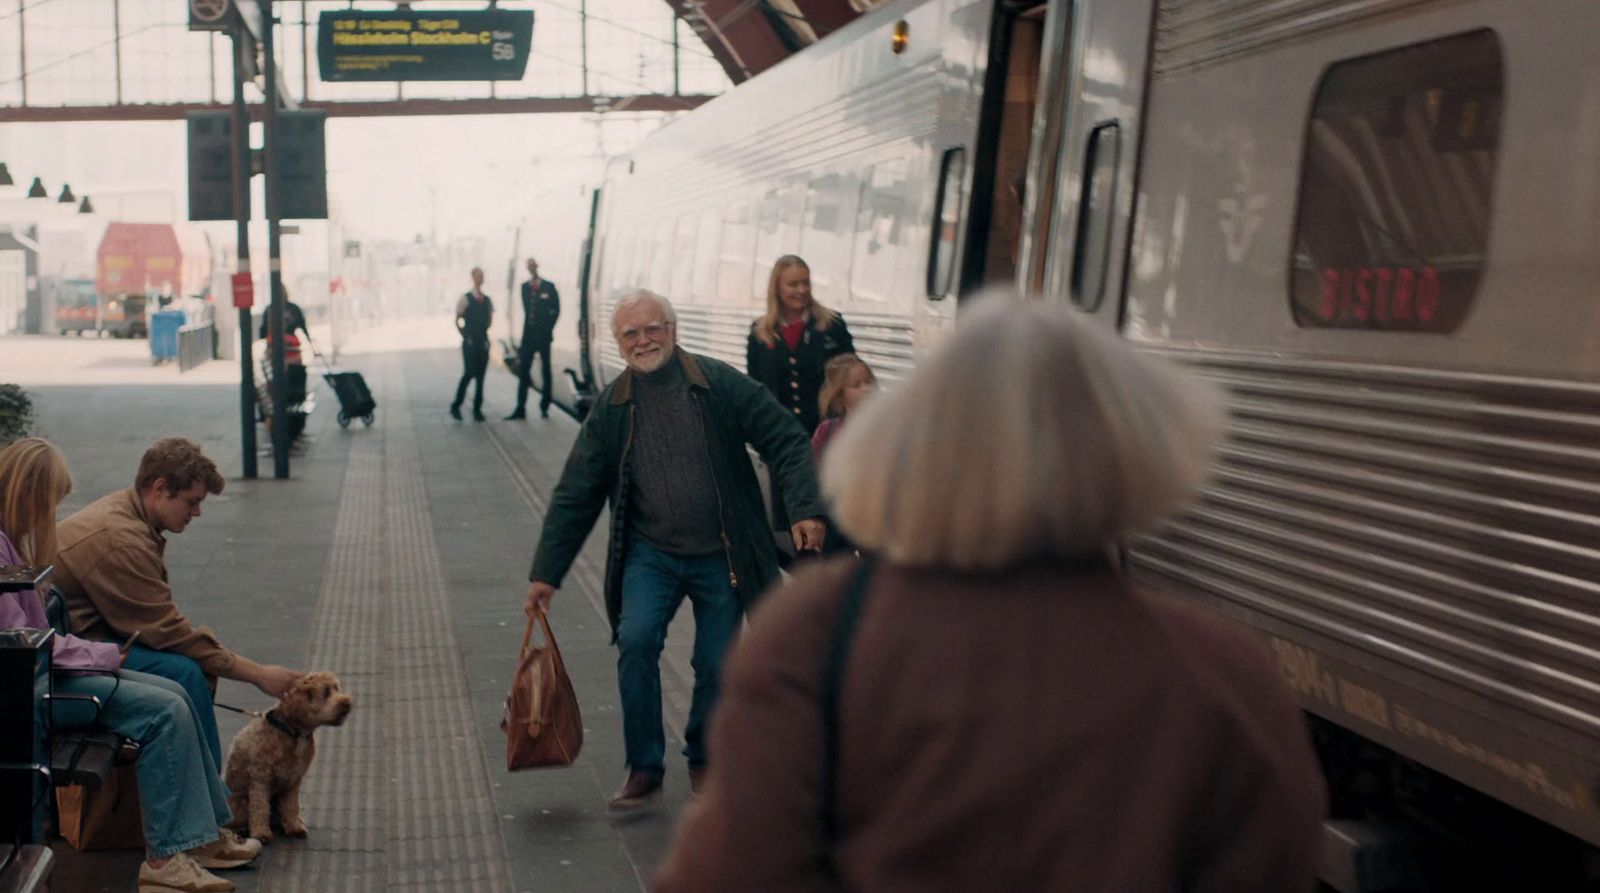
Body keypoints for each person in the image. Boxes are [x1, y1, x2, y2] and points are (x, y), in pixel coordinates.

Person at [656, 295, 1326, 892]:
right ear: (1130, 449)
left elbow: (729, 870)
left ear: (911, 446)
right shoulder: (1223, 671)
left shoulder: (814, 632)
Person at [523, 289, 827, 811]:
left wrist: (805, 508)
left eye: (653, 328)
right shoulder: (613, 408)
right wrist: (546, 573)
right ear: (618, 344)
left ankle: (704, 753)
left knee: (715, 662)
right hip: (651, 552)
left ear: (673, 328)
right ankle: (644, 767)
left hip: (723, 552)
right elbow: (576, 492)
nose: (644, 341)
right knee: (636, 642)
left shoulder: (716, 384)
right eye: (631, 334)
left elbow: (786, 438)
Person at [0, 438, 261, 893]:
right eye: (51, 503)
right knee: (164, 711)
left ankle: (201, 834)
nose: (51, 516)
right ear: (28, 495)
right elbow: (23, 644)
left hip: (40, 677)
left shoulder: (9, 542)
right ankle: (164, 862)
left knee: (178, 690)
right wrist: (99, 655)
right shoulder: (7, 548)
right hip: (31, 692)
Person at [53, 437, 303, 767]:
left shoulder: (128, 514)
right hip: (72, 656)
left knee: (189, 666)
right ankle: (207, 798)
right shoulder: (121, 542)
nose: (197, 512)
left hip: (83, 637)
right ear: (159, 488)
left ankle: (205, 791)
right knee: (184, 672)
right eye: (191, 502)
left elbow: (161, 626)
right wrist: (257, 674)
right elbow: (168, 633)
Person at [746, 255, 854, 435]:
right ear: (777, 288)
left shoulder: (832, 325)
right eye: (793, 284)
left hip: (827, 432)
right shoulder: (760, 332)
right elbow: (755, 387)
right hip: (780, 434)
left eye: (806, 283)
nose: (802, 290)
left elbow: (850, 377)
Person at [507, 257, 561, 420]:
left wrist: (548, 327)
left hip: (544, 336)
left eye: (533, 266)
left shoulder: (549, 287)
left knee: (546, 371)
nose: (531, 269)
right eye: (529, 267)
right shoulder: (524, 287)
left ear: (537, 267)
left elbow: (556, 309)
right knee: (524, 371)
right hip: (528, 336)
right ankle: (520, 408)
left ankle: (545, 406)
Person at [810, 353, 876, 460]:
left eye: (868, 381)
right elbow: (814, 469)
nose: (866, 389)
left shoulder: (886, 428)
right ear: (839, 394)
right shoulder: (826, 431)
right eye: (856, 385)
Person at [450, 267, 494, 422]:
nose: (480, 279)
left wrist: (483, 333)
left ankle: (477, 409)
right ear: (472, 278)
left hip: (482, 342)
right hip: (470, 342)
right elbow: (458, 319)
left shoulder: (487, 300)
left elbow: (489, 319)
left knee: (481, 376)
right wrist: (465, 334)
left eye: (482, 276)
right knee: (469, 373)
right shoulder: (466, 298)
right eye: (478, 276)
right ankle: (456, 405)